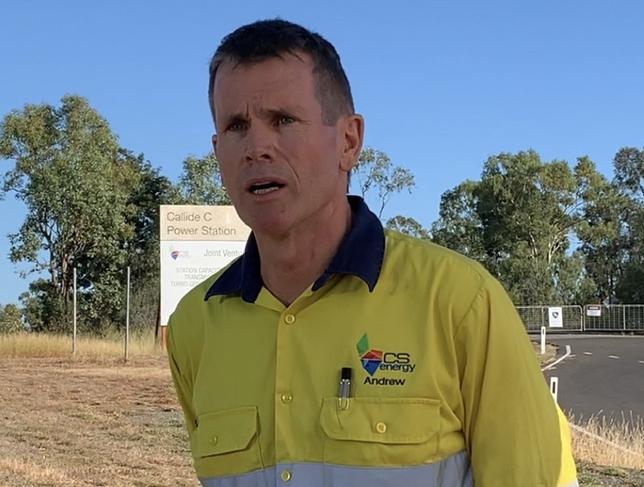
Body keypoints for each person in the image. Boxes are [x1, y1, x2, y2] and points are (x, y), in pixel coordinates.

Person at [167, 19, 579, 487]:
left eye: (283, 120)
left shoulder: (461, 304)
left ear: (348, 141)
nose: (257, 147)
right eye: (236, 126)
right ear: (218, 151)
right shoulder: (194, 328)